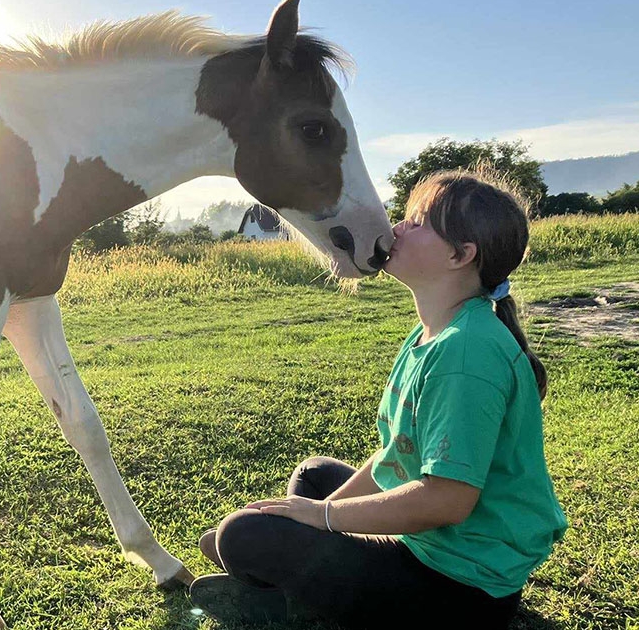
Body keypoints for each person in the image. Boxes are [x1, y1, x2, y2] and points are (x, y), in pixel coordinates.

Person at [188, 169, 569, 629]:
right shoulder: (436, 332)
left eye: (418, 221)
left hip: (459, 591)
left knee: (244, 535)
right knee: (313, 474)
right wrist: (316, 518)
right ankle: (278, 578)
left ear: (460, 255)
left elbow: (447, 501)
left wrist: (324, 516)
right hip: (430, 550)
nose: (398, 227)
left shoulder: (467, 352)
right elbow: (397, 453)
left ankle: (276, 594)